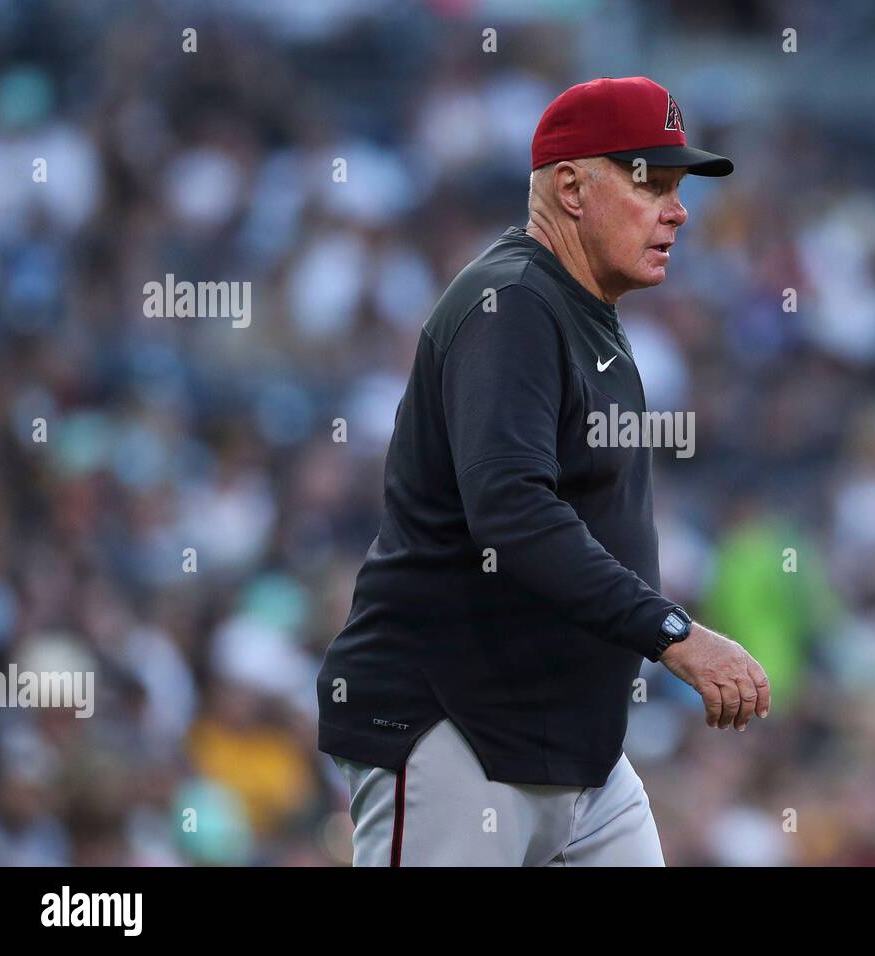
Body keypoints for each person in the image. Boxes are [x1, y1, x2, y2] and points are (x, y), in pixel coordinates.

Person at [316, 76, 770, 866]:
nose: (678, 208)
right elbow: (513, 514)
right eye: (650, 183)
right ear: (570, 187)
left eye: (678, 186)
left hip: (576, 748)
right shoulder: (512, 305)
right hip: (458, 731)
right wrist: (673, 634)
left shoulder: (582, 308)